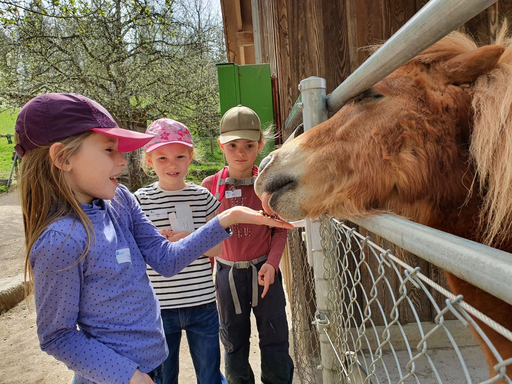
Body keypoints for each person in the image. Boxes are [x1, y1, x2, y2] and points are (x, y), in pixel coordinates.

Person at [16, 93, 293, 384]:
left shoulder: (120, 201)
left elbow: (167, 259)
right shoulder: (61, 241)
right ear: (63, 158)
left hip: (154, 365)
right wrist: (128, 376)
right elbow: (56, 336)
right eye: (109, 149)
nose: (122, 161)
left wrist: (226, 218)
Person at [202, 105, 294, 384]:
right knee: (233, 343)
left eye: (248, 145)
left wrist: (272, 263)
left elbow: (279, 230)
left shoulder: (268, 185)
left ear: (260, 146)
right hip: (227, 276)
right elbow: (205, 235)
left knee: (275, 340)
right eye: (233, 145)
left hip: (265, 273)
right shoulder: (209, 186)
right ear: (221, 146)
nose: (240, 153)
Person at [134, 118, 225, 384]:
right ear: (149, 160)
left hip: (202, 302)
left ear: (190, 157)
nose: (172, 164)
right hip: (160, 307)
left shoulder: (203, 197)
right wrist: (154, 243)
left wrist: (192, 239)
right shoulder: (140, 200)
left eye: (180, 156)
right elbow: (134, 252)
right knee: (164, 377)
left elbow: (218, 248)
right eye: (162, 158)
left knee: (209, 375)